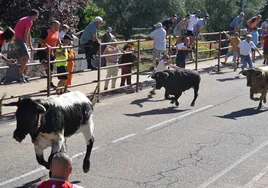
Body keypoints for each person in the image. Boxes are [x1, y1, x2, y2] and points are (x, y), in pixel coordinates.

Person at [14, 9, 39, 83]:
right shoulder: (29, 21)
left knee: (21, 58)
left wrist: (30, 45)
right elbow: (26, 34)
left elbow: (28, 33)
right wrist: (26, 43)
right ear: (34, 15)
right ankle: (20, 75)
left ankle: (21, 75)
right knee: (27, 57)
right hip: (19, 39)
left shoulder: (25, 19)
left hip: (16, 39)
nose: (36, 18)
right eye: (37, 16)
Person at [36, 20, 61, 88]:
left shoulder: (57, 31)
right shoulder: (46, 31)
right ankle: (45, 67)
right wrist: (46, 45)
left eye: (58, 27)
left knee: (51, 70)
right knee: (48, 68)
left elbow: (58, 38)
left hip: (51, 52)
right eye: (57, 26)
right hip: (44, 51)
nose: (58, 28)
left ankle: (49, 83)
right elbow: (40, 40)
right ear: (53, 25)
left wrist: (60, 43)